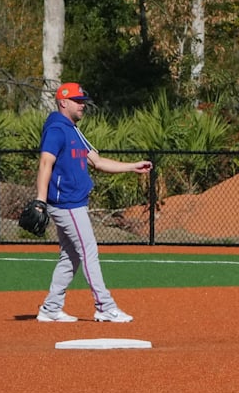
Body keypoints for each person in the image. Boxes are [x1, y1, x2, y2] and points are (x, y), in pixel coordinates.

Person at [35, 82, 152, 323]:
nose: (82, 105)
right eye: (78, 101)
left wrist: (132, 167)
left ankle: (50, 308)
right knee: (88, 251)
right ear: (63, 102)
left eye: (83, 101)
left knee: (71, 256)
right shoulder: (57, 128)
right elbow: (45, 163)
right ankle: (105, 306)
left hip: (74, 202)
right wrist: (40, 200)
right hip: (66, 203)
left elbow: (97, 162)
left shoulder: (73, 129)